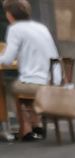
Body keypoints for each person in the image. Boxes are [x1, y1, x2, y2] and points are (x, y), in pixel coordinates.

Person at [0, 0, 59, 141]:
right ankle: (36, 124)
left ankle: (26, 129)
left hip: (38, 85)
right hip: (54, 80)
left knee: (12, 85)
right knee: (26, 83)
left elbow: (7, 59)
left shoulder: (15, 29)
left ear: (9, 15)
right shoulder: (41, 27)